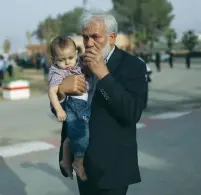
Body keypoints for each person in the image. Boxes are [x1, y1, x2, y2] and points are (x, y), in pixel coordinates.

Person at [51, 12, 147, 195]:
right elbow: (60, 111)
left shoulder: (132, 65)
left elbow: (132, 112)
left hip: (112, 168)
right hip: (81, 163)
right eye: (85, 37)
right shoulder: (74, 65)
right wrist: (62, 91)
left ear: (111, 38)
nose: (88, 43)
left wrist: (103, 75)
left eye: (95, 37)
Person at [48, 36, 96, 181]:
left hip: (83, 102)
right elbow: (52, 92)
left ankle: (65, 160)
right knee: (82, 134)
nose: (67, 63)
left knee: (72, 135)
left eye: (70, 57)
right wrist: (59, 109)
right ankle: (78, 162)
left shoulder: (79, 62)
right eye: (61, 60)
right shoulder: (58, 72)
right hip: (74, 105)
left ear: (76, 53)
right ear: (54, 59)